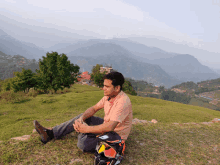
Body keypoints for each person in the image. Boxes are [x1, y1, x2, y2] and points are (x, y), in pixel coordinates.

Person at [34, 71, 133, 153]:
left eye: (107, 86)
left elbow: (110, 127)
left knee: (83, 144)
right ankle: (51, 134)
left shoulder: (123, 101)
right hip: (106, 125)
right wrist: (82, 119)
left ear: (117, 88)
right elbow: (94, 108)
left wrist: (86, 129)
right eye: (103, 86)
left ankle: (86, 133)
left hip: (115, 135)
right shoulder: (108, 96)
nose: (103, 88)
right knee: (83, 117)